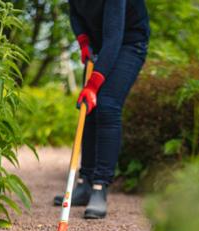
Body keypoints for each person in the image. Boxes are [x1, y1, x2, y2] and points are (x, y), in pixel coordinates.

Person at [54, 0, 150, 219]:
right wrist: (83, 41)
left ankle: (100, 187)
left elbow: (114, 37)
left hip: (128, 43)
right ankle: (85, 183)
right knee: (89, 108)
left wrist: (94, 84)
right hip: (102, 44)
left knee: (107, 105)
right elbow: (75, 14)